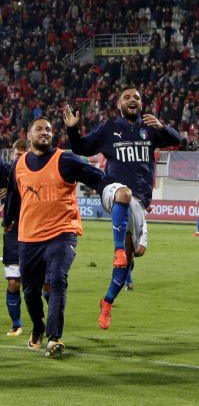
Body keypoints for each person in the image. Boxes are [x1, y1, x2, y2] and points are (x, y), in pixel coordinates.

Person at [65, 86, 181, 329]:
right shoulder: (109, 129)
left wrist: (162, 127)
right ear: (119, 104)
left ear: (141, 104)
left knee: (133, 256)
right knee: (123, 193)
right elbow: (81, 148)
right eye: (127, 97)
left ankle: (107, 302)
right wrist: (73, 129)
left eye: (137, 97)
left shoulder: (149, 128)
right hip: (112, 190)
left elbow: (177, 140)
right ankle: (118, 249)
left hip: (140, 201)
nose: (132, 100)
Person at [3, 117, 106, 358]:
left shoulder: (66, 159)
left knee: (57, 280)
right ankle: (37, 326)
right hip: (28, 237)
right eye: (39, 128)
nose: (45, 132)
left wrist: (117, 189)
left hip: (62, 233)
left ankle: (54, 338)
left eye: (49, 129)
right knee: (30, 291)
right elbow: (13, 198)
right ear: (29, 135)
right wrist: (7, 221)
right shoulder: (18, 165)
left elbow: (97, 177)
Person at [1, 139, 30, 336]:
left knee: (45, 283)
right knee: (13, 281)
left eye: (23, 154)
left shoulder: (39, 172)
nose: (18, 158)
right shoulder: (6, 172)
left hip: (39, 231)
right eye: (16, 155)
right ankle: (17, 325)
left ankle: (47, 322)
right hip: (13, 233)